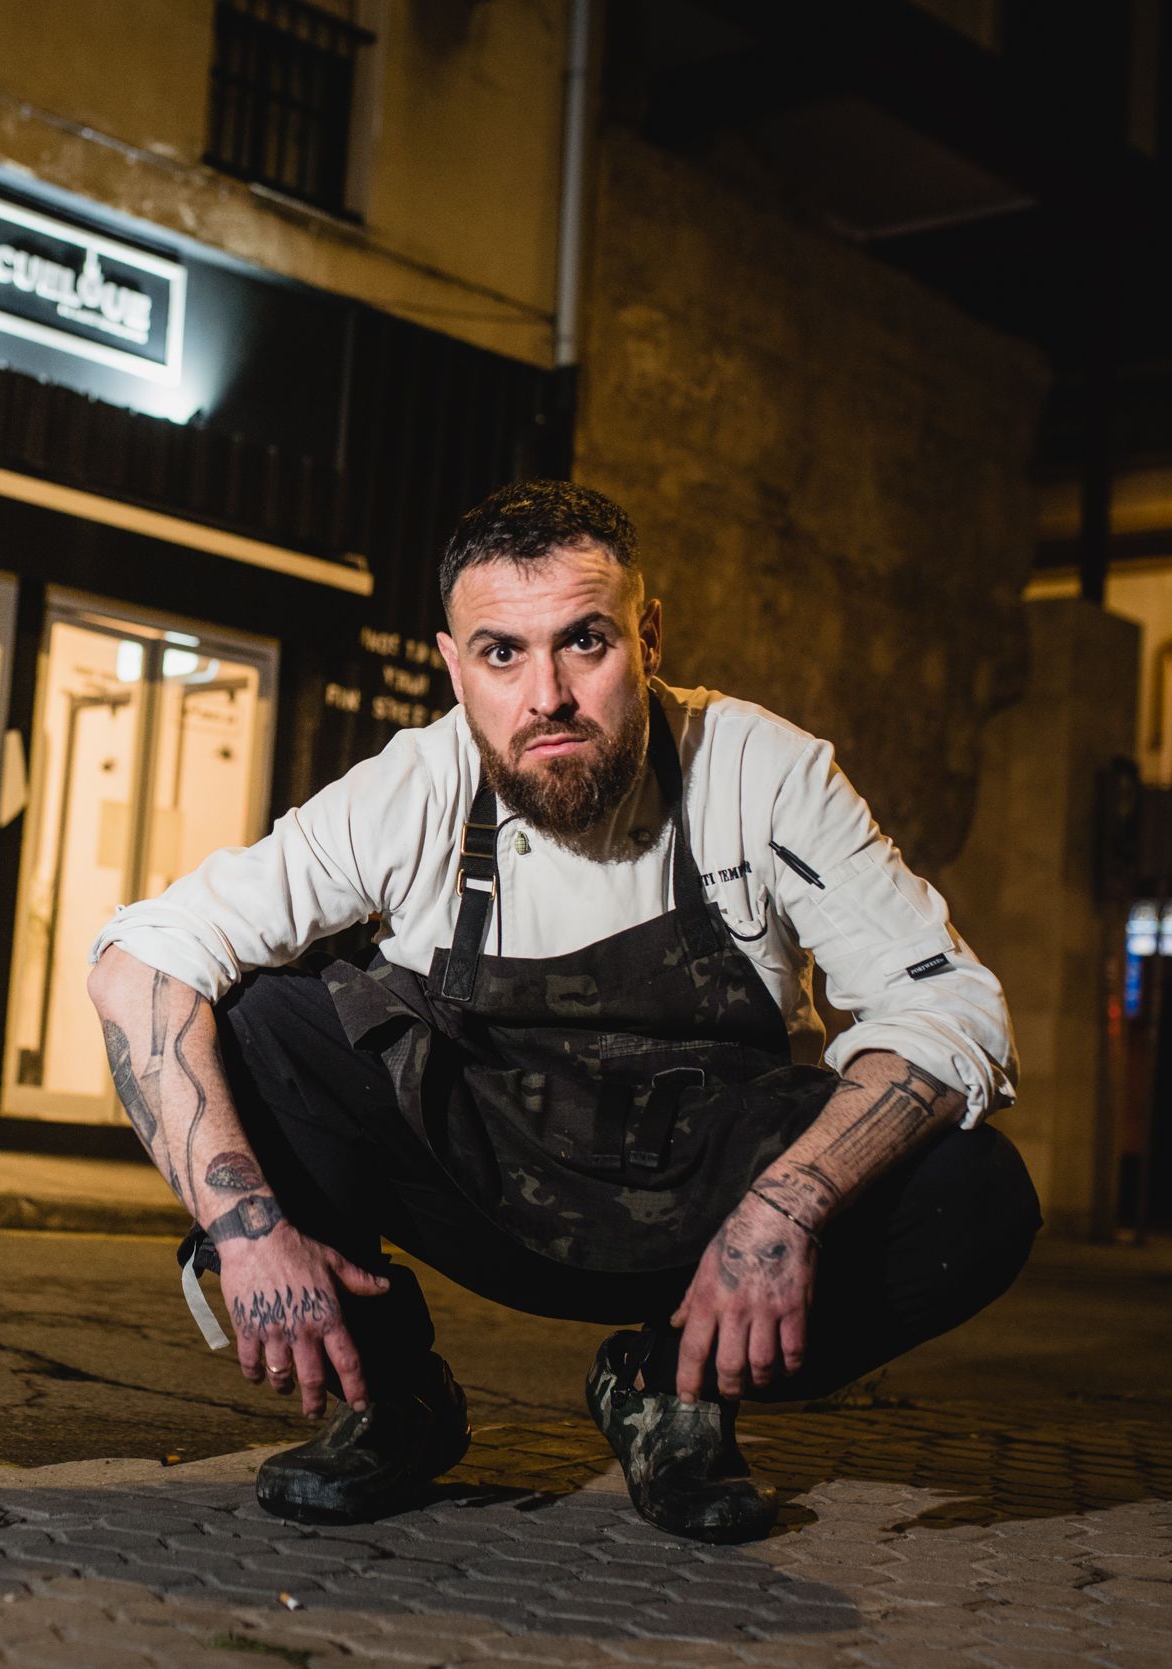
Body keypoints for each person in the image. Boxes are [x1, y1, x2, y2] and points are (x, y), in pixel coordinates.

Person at [85, 480, 1039, 1544]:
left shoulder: (761, 772)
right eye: (501, 654)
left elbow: (950, 1006)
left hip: (705, 1209)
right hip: (481, 1181)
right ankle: (390, 1400)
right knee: (261, 1016)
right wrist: (244, 1232)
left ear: (649, 634)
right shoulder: (414, 786)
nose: (547, 695)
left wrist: (789, 1208)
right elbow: (140, 959)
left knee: (976, 1194)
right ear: (453, 667)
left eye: (584, 642)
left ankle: (665, 1387)